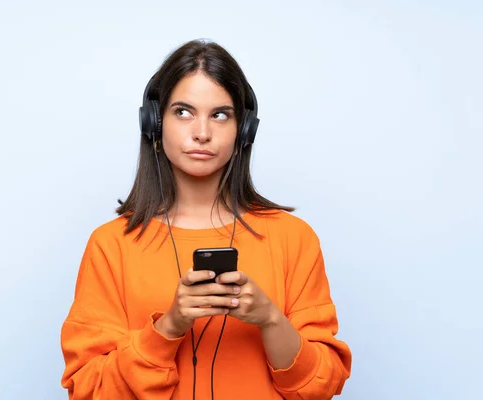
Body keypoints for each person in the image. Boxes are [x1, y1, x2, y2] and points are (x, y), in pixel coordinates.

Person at [60, 39, 352, 400]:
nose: (201, 132)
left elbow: (322, 385)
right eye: (183, 112)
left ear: (244, 131)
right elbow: (90, 389)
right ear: (154, 123)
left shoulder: (293, 238)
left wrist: (270, 319)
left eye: (220, 114)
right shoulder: (111, 244)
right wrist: (169, 326)